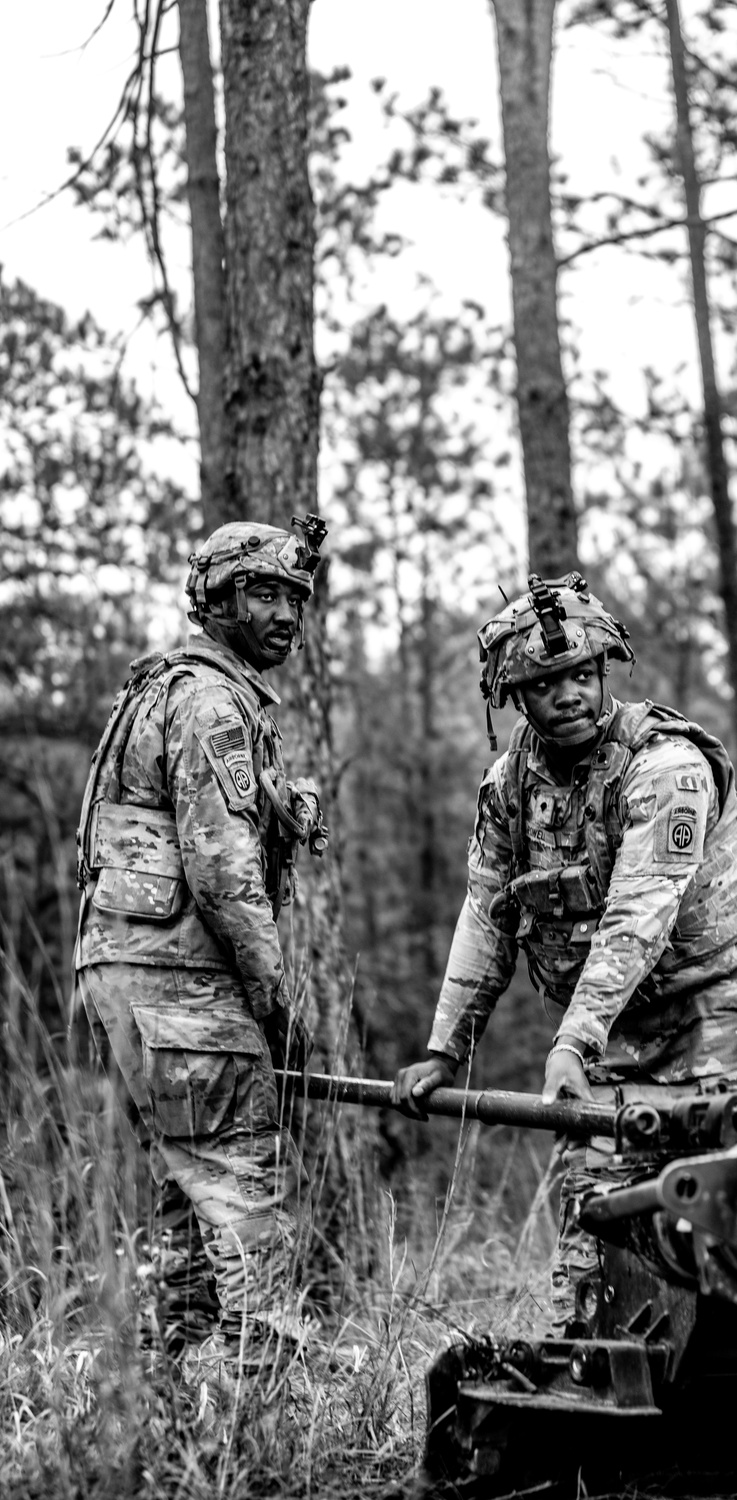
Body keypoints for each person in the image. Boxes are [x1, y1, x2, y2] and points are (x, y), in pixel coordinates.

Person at [392, 571, 737, 1330]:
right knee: (593, 1224)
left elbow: (642, 911)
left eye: (581, 675)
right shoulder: (509, 785)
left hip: (723, 1020)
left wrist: (571, 1040)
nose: (569, 695)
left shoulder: (666, 765)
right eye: (546, 684)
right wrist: (446, 1051)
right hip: (615, 1037)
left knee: (729, 1227)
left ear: (602, 670)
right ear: (516, 697)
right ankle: (590, 1392)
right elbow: (484, 916)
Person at [74, 514, 328, 1374]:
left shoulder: (161, 689)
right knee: (240, 1187)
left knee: (183, 1198)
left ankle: (175, 1410)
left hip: (128, 980)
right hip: (179, 982)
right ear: (214, 602)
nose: (286, 613)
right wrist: (275, 996)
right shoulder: (212, 700)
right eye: (263, 593)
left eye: (295, 596)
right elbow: (220, 870)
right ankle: (264, 1412)